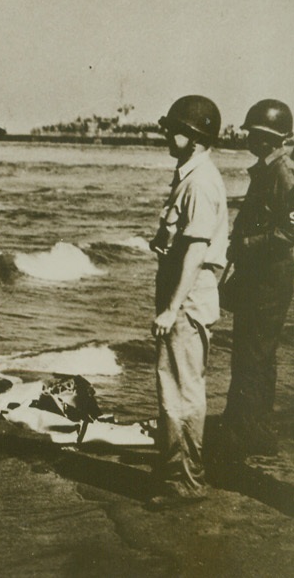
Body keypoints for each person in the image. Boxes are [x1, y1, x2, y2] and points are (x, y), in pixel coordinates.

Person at [148, 95, 229, 508]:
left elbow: (197, 252)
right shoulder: (192, 176)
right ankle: (178, 474)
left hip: (187, 299)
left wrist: (171, 308)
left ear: (193, 138)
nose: (168, 135)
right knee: (178, 386)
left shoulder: (199, 182)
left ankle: (185, 482)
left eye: (174, 130)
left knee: (180, 391)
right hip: (188, 295)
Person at [221, 99, 294, 458]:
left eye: (254, 133)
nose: (248, 138)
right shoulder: (270, 169)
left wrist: (245, 244)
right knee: (257, 353)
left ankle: (245, 433)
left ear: (268, 138)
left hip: (270, 279)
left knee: (253, 354)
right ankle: (253, 428)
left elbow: (289, 232)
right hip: (261, 276)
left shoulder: (284, 173)